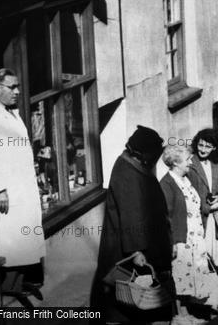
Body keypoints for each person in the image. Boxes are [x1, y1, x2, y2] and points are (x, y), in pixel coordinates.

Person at [91, 125, 173, 324]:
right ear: (143, 153)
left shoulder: (132, 166)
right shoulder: (127, 174)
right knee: (129, 298)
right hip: (130, 250)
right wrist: (136, 251)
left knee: (137, 299)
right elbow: (131, 214)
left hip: (144, 244)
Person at [0, 68, 45, 287]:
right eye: (12, 87)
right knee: (12, 240)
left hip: (22, 182)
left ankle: (19, 280)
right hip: (8, 189)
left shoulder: (10, 109)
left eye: (17, 86)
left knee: (24, 236)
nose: (18, 91)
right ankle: (10, 284)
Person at [161, 146, 218, 324]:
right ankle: (178, 316)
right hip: (181, 239)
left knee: (190, 276)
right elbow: (165, 217)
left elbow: (195, 204)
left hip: (195, 238)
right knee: (180, 276)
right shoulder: (167, 184)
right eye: (187, 159)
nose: (191, 162)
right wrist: (172, 242)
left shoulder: (185, 179)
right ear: (175, 163)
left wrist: (211, 205)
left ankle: (186, 313)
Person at [187, 129, 218, 315]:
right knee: (202, 261)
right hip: (199, 220)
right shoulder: (190, 164)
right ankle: (198, 303)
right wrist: (206, 206)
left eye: (208, 145)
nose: (203, 148)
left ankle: (213, 301)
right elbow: (186, 195)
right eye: (201, 144)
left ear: (215, 147)